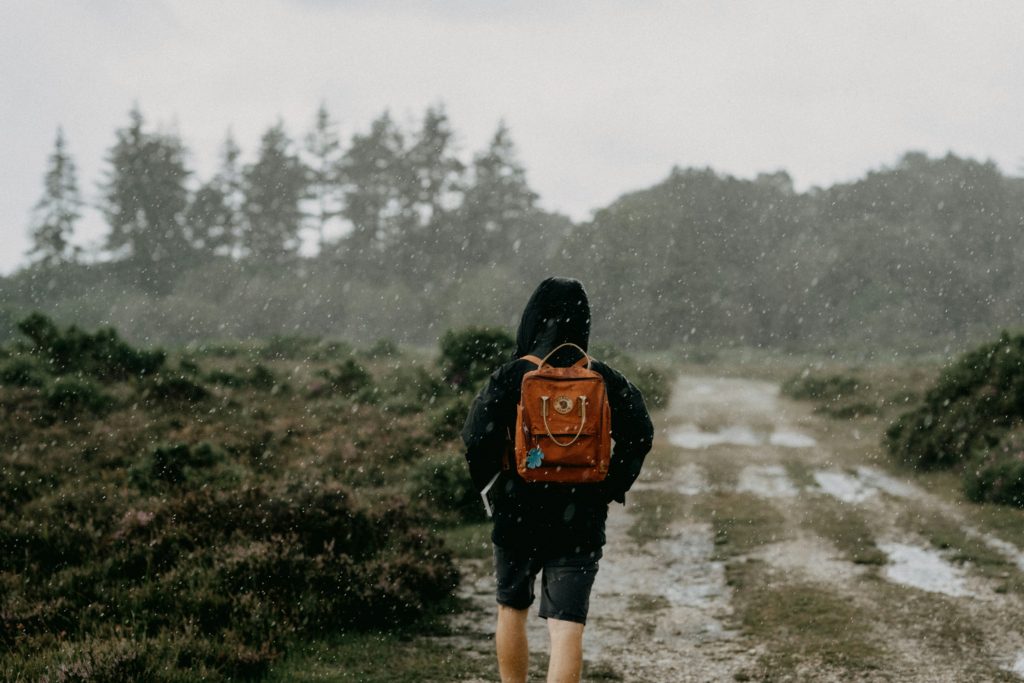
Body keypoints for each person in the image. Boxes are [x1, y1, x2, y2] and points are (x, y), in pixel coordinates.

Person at [462, 277, 654, 683]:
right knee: (566, 624)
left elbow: (475, 437)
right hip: (580, 514)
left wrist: (494, 489)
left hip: (517, 508)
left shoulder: (512, 375)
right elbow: (640, 433)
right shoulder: (602, 377)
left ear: (533, 317)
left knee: (511, 608)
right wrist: (608, 486)